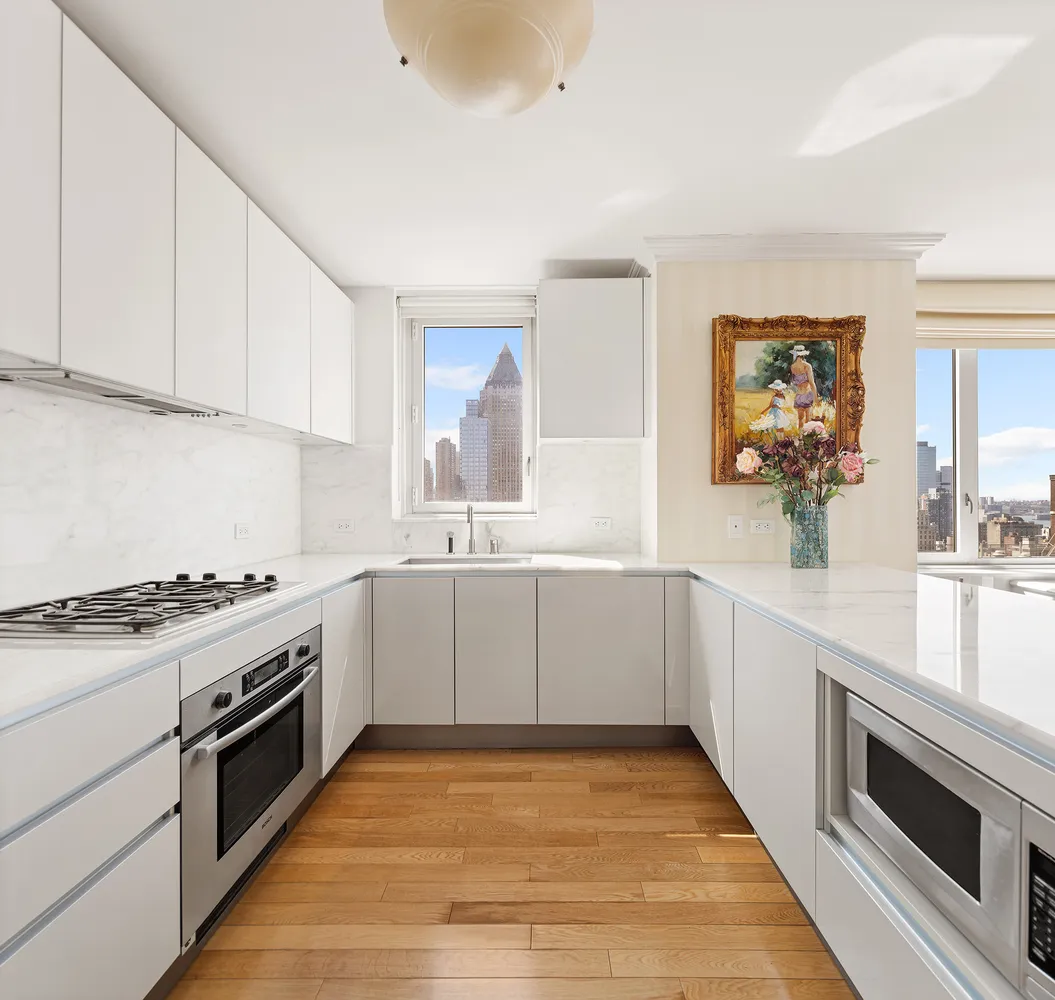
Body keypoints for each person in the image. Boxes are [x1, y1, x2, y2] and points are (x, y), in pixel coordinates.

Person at [789, 345, 818, 430]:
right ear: (803, 354)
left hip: (799, 396)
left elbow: (795, 382)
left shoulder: (793, 367)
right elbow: (812, 383)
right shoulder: (807, 366)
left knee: (800, 419)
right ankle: (807, 440)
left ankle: (801, 438)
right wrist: (816, 398)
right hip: (807, 394)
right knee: (808, 420)